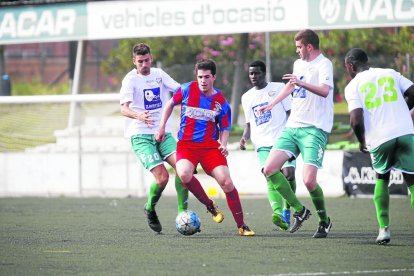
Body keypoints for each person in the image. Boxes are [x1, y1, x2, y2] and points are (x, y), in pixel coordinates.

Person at [156, 58, 255, 236]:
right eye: (200, 76)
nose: (203, 80)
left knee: (226, 181)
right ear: (197, 76)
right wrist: (162, 126)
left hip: (210, 148)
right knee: (184, 174)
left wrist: (223, 145)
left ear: (213, 77)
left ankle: (242, 225)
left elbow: (225, 127)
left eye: (207, 77)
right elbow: (170, 105)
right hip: (186, 146)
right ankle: (210, 205)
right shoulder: (186, 89)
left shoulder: (220, 102)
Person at [259, 29, 333, 238]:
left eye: (299, 47)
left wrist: (301, 82)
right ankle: (300, 211)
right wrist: (271, 104)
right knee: (269, 169)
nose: (297, 50)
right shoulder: (298, 64)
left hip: (314, 129)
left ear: (309, 46)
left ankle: (324, 221)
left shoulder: (324, 64)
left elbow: (325, 91)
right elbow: (291, 87)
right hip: (293, 127)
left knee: (309, 181)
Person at [343, 48, 414, 245]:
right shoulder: (390, 73)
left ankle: (384, 230)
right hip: (405, 132)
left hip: (381, 137)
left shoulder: (353, 85)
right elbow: (413, 93)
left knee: (382, 178)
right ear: (367, 61)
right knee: (413, 182)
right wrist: (402, 110)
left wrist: (361, 140)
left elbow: (356, 120)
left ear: (350, 66)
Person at [120, 43, 190, 234]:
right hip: (141, 135)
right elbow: (123, 108)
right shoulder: (130, 80)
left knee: (184, 170)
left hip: (163, 132)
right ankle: (150, 208)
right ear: (134, 61)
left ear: (151, 58)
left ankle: (183, 213)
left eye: (147, 60)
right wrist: (139, 115)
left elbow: (180, 90)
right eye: (140, 61)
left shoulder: (159, 74)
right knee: (162, 178)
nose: (144, 64)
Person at [239, 60, 296, 230]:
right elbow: (249, 123)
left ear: (264, 73)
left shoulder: (278, 88)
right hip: (262, 143)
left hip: (282, 140)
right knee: (270, 176)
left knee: (289, 174)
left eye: (257, 73)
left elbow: (290, 112)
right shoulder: (246, 97)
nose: (253, 76)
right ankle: (278, 213)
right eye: (251, 73)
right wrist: (244, 138)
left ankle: (287, 209)